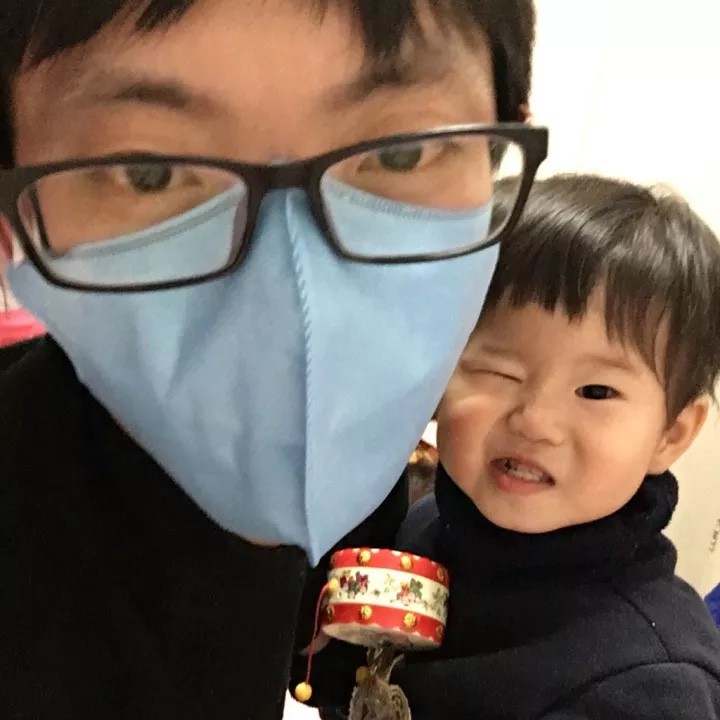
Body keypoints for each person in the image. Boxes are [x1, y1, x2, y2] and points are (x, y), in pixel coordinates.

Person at [0, 1, 547, 718]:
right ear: (10, 221)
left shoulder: (400, 492)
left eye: (401, 152)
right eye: (148, 171)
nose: (292, 288)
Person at [303, 175, 720, 718]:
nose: (535, 421)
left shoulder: (647, 685)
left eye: (596, 392)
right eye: (500, 371)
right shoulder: (431, 524)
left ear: (672, 434)